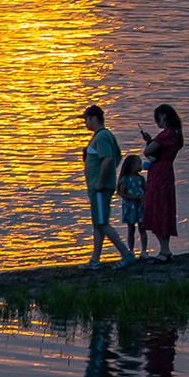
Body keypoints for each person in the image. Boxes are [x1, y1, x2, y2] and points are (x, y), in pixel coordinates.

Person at [78, 105, 131, 265]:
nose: (85, 123)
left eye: (86, 119)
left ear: (94, 118)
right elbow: (118, 156)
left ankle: (126, 254)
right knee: (98, 223)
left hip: (100, 187)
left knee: (102, 223)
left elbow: (108, 158)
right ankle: (95, 260)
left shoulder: (101, 137)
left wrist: (101, 181)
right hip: (99, 187)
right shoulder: (104, 136)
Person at [139, 102, 184, 261]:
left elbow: (148, 151)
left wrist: (150, 143)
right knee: (164, 207)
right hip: (166, 173)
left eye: (157, 118)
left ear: (164, 116)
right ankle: (165, 249)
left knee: (158, 208)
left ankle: (164, 250)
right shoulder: (175, 134)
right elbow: (158, 149)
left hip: (159, 174)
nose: (156, 122)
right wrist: (150, 140)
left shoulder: (166, 134)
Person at [117, 148, 150, 259]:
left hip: (140, 206)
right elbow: (121, 193)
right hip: (130, 207)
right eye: (138, 163)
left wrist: (144, 200)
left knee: (142, 228)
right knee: (131, 229)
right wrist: (133, 198)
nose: (141, 165)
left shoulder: (141, 179)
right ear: (131, 166)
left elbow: (146, 191)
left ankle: (144, 251)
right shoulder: (125, 179)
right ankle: (131, 250)